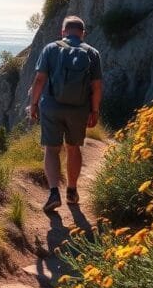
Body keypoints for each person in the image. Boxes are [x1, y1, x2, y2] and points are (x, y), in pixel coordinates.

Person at [27, 15, 102, 212]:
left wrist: (33, 105)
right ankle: (72, 191)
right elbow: (97, 86)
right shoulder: (92, 53)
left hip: (51, 107)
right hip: (79, 109)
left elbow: (40, 79)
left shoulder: (51, 49)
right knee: (73, 148)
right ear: (83, 34)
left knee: (51, 150)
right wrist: (94, 110)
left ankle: (53, 193)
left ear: (63, 31)